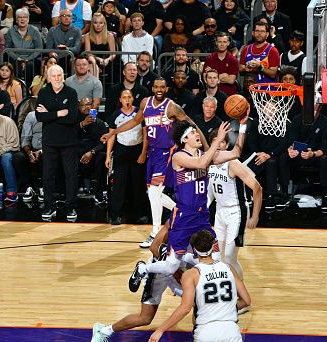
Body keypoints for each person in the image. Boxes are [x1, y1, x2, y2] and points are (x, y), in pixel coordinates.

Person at [127, 119, 245, 289]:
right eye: (192, 133)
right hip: (184, 216)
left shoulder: (206, 156)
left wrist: (242, 125)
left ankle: (203, 285)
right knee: (171, 266)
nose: (197, 134)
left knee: (216, 257)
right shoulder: (179, 156)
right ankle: (144, 268)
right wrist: (218, 140)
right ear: (184, 139)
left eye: (197, 132)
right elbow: (202, 164)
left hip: (202, 216)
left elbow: (236, 153)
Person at [147, 229, 251, 342]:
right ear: (214, 246)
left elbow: (185, 308)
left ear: (194, 250)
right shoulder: (228, 268)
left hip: (206, 332)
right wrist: (226, 308)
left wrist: (160, 329)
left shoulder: (191, 274)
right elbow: (246, 300)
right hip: (230, 331)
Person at [102, 77, 178, 247]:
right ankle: (181, 210)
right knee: (153, 195)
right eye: (156, 86)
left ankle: (155, 233)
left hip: (166, 153)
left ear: (166, 89)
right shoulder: (146, 103)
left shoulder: (171, 106)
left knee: (153, 194)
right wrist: (112, 133)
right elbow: (135, 122)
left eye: (162, 86)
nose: (159, 89)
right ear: (152, 88)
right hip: (153, 153)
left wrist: (205, 147)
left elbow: (188, 122)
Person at [207, 128, 261, 279]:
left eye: (222, 142)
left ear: (226, 145)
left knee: (230, 257)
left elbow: (257, 187)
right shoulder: (208, 162)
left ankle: (241, 292)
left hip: (237, 212)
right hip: (220, 212)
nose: (218, 146)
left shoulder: (233, 164)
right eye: (215, 142)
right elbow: (210, 192)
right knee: (217, 257)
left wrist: (255, 216)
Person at [35, 64, 79, 221]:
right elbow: (39, 117)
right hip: (50, 142)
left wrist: (50, 115)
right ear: (49, 77)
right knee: (47, 175)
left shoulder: (72, 93)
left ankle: (71, 207)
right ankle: (49, 206)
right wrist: (60, 113)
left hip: (68, 141)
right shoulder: (44, 92)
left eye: (59, 75)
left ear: (63, 76)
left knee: (70, 175)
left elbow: (73, 118)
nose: (57, 78)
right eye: (53, 76)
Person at [106, 89, 148, 224]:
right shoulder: (115, 115)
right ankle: (115, 215)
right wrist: (108, 156)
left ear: (133, 98)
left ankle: (141, 214)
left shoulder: (140, 114)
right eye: (124, 97)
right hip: (121, 151)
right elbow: (111, 136)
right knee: (119, 184)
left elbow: (146, 134)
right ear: (120, 100)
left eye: (129, 97)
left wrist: (143, 153)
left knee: (138, 185)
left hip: (137, 150)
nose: (127, 99)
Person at [287, 113, 327, 211]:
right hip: (299, 154)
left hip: (316, 155)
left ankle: (326, 195)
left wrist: (312, 153)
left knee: (325, 159)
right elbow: (291, 142)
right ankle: (284, 194)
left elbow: (325, 148)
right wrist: (290, 150)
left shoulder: (326, 122)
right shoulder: (296, 119)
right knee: (283, 157)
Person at [76, 97, 108, 203]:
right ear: (78, 108)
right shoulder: (74, 122)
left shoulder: (100, 123)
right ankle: (68, 195)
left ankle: (99, 194)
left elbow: (103, 142)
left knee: (102, 156)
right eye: (82, 105)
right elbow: (69, 138)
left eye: (88, 105)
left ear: (92, 107)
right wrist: (82, 124)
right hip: (77, 154)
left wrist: (92, 152)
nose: (85, 107)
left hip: (93, 154)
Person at [5, 7, 44, 84]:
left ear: (28, 19)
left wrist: (27, 59)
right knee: (14, 65)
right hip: (15, 58)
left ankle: (28, 89)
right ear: (16, 20)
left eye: (25, 17)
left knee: (30, 65)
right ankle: (17, 87)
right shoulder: (11, 31)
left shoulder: (34, 30)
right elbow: (7, 49)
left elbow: (39, 48)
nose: (22, 19)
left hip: (31, 58)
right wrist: (18, 58)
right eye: (20, 17)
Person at [203, 32, 239, 96]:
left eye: (224, 42)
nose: (222, 44)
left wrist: (213, 76)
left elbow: (231, 80)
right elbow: (205, 79)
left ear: (228, 43)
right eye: (220, 42)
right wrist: (224, 75)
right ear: (216, 43)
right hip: (212, 94)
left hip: (229, 95)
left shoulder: (233, 60)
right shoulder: (209, 58)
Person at [83, 12, 117, 78]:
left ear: (104, 24)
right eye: (95, 23)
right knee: (90, 64)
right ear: (92, 24)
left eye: (101, 23)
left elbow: (113, 54)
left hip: (107, 61)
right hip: (93, 60)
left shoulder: (110, 36)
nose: (98, 25)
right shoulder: (87, 36)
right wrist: (98, 59)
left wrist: (108, 59)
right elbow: (88, 53)